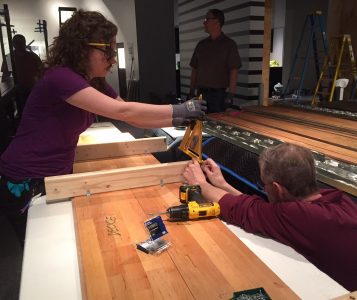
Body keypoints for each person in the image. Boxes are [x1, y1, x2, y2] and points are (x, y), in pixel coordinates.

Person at [0, 10, 206, 245]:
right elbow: (123, 112)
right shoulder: (60, 77)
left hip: (55, 176)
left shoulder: (93, 81)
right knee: (45, 249)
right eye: (107, 51)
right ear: (83, 47)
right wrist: (179, 109)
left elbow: (131, 115)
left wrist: (176, 121)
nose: (113, 59)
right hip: (26, 178)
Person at [183, 143, 357, 291]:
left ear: (277, 188)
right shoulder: (338, 201)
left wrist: (200, 183)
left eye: (264, 185)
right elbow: (257, 207)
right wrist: (222, 184)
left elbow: (240, 209)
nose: (264, 189)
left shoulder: (300, 216)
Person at [189, 9, 241, 113]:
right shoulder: (201, 45)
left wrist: (230, 96)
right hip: (201, 93)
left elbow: (234, 71)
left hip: (218, 95)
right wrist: (191, 91)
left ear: (217, 22)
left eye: (207, 19)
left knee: (215, 124)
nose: (204, 22)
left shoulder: (229, 45)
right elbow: (195, 69)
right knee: (199, 123)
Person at [11, 34, 44, 117]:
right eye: (17, 43)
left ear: (24, 43)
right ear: (13, 44)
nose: (19, 45)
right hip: (18, 89)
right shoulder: (10, 58)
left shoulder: (33, 56)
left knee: (34, 109)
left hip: (33, 88)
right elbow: (6, 75)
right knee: (22, 110)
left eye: (21, 43)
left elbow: (42, 71)